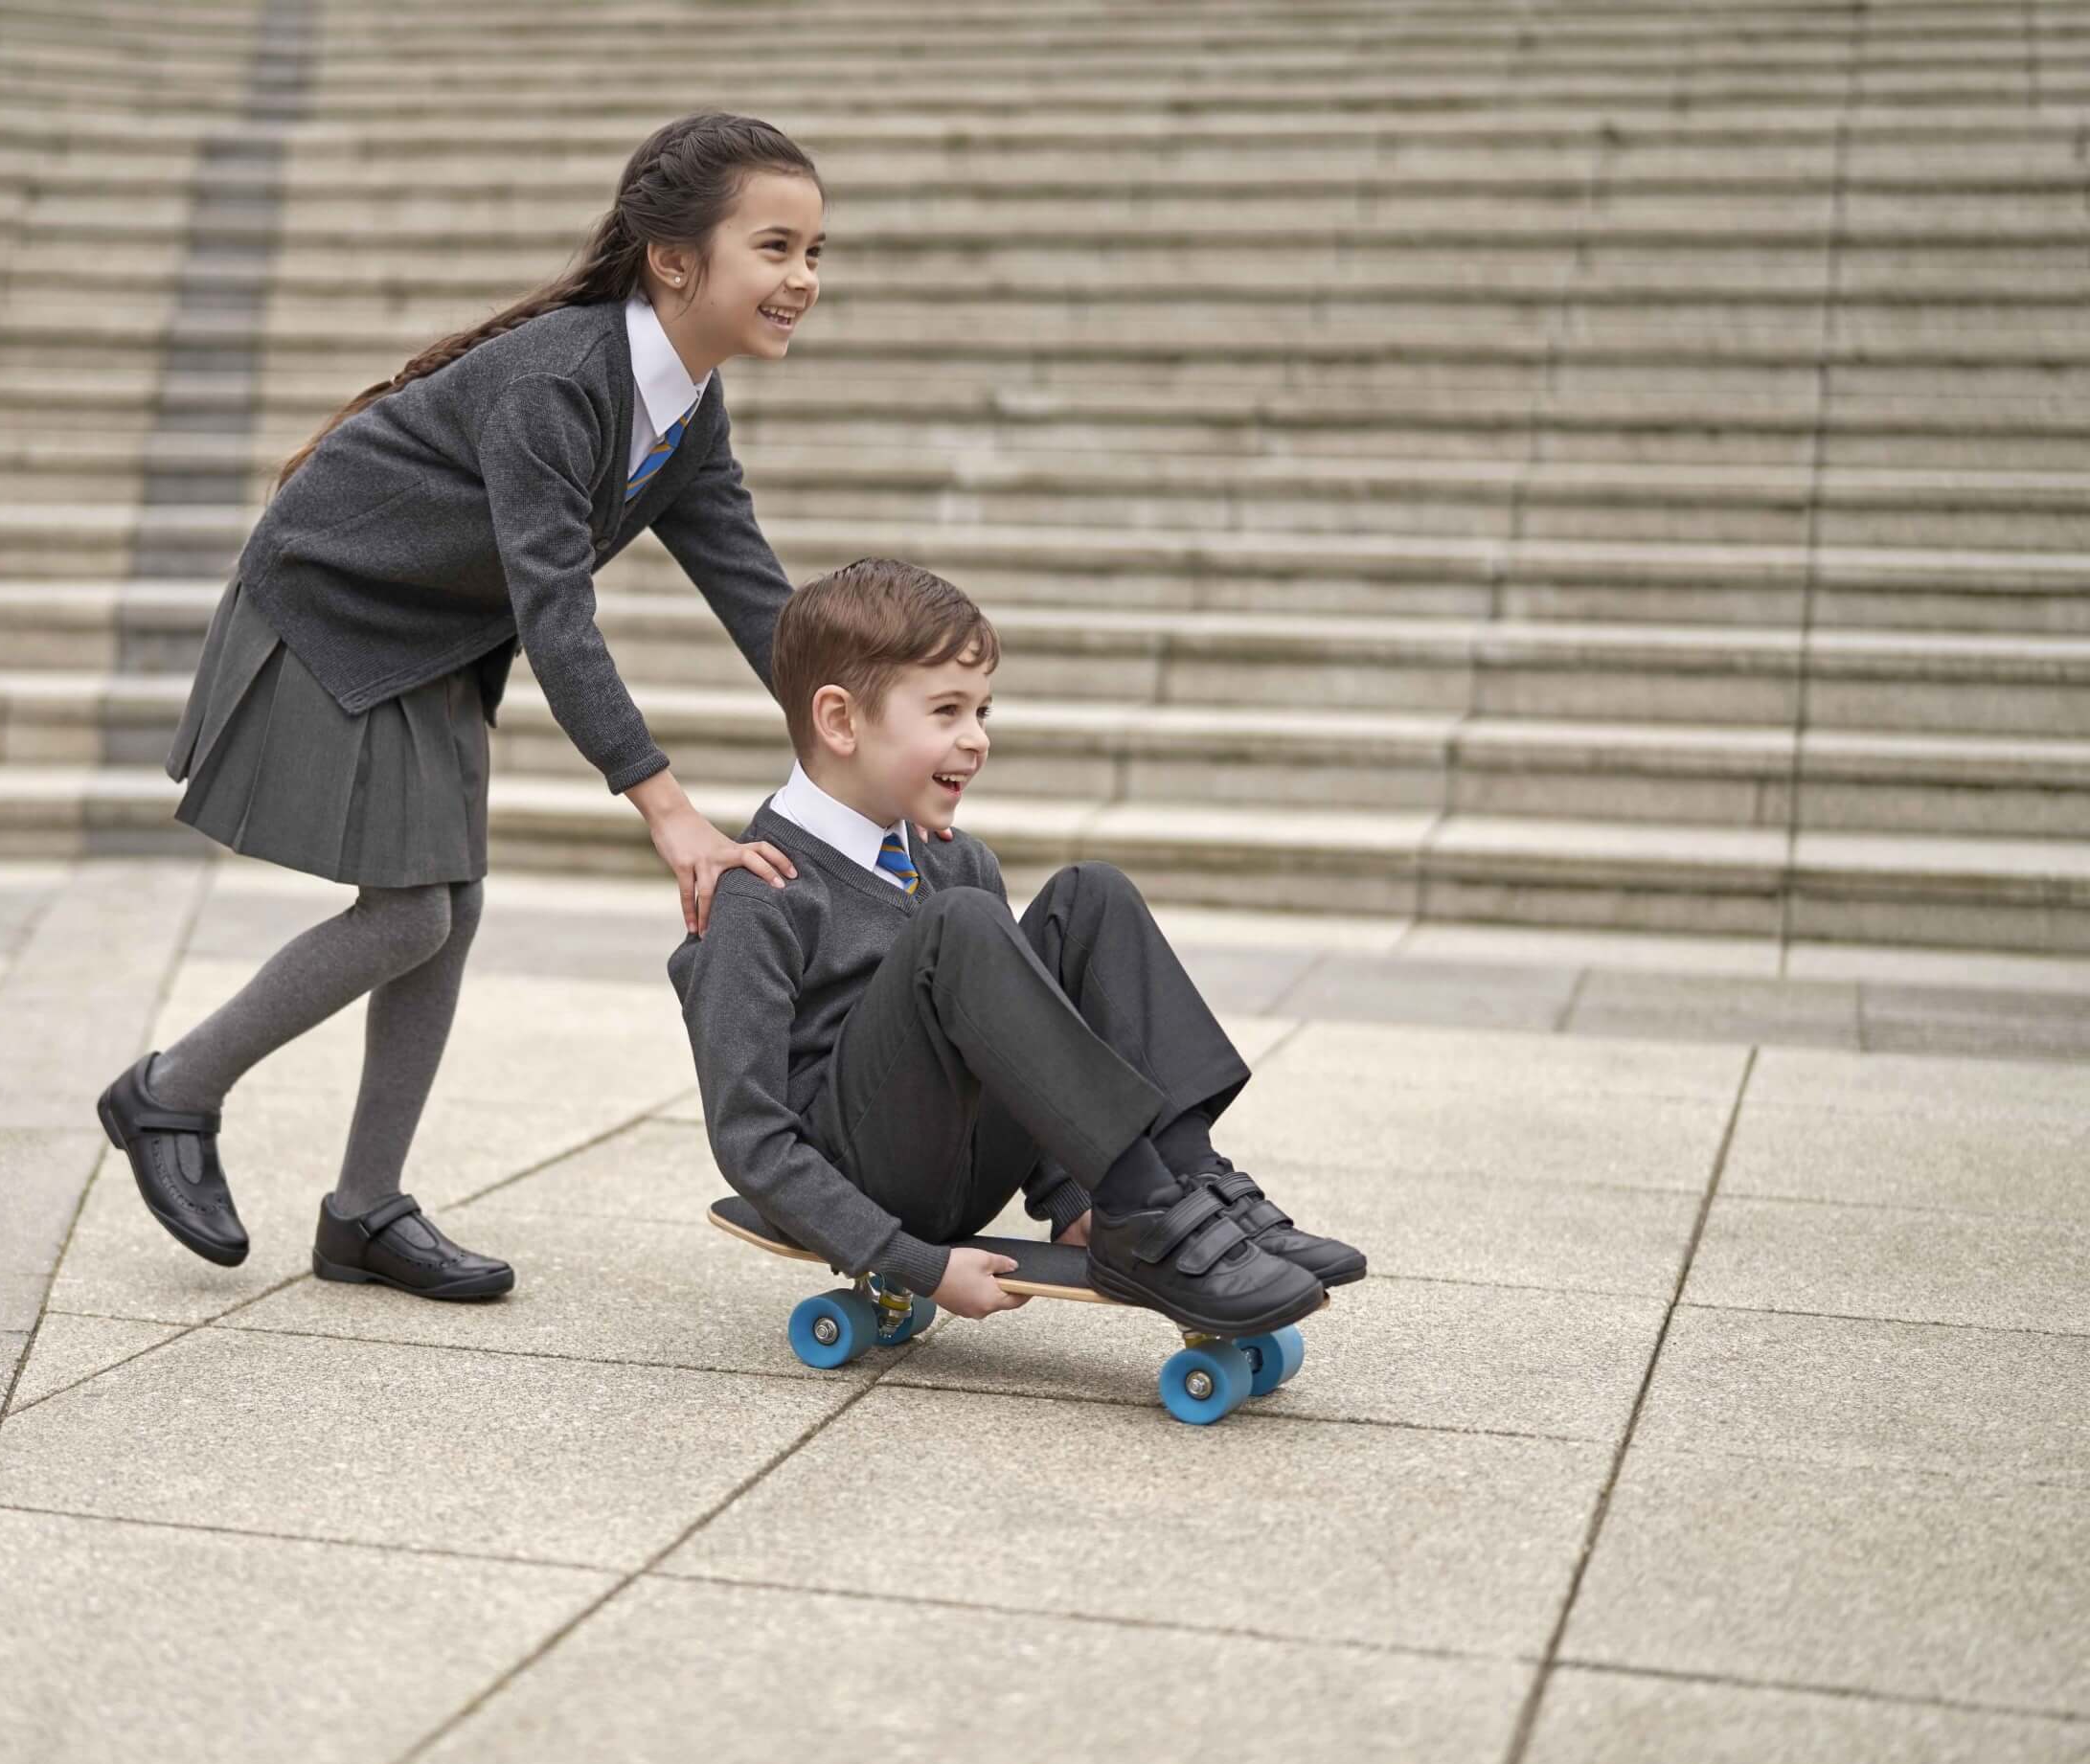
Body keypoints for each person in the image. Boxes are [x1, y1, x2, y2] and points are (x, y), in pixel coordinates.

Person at [98, 111, 825, 1299]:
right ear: (675, 259)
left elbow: (753, 591)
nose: (801, 278)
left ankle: (364, 1212)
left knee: (448, 903)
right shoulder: (557, 382)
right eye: (777, 246)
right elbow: (556, 614)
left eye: (816, 252)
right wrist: (672, 813)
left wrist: (855, 742)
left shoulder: (686, 407)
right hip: (329, 608)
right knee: (409, 914)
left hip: (429, 634)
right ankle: (169, 1094)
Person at [667, 558, 1367, 1329]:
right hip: (861, 1183)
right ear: (840, 720)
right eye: (946, 711)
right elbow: (751, 1141)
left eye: (982, 712)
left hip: (965, 1163)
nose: (976, 739)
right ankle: (1148, 1212)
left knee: (1088, 896)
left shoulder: (956, 858)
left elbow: (1020, 1055)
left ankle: (1186, 1190)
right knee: (961, 923)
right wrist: (914, 1263)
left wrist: (1068, 1201)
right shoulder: (759, 893)